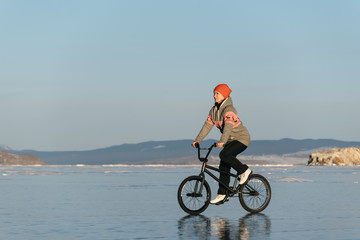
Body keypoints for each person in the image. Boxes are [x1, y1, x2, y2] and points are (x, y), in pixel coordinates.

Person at [192, 83, 252, 205]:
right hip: (230, 140)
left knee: (224, 155)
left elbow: (228, 128)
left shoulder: (229, 110)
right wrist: (198, 140)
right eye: (214, 93)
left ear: (224, 95)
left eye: (217, 93)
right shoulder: (214, 111)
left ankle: (244, 171)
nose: (214, 96)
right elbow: (206, 127)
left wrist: (222, 141)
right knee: (223, 164)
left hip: (241, 139)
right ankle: (222, 193)